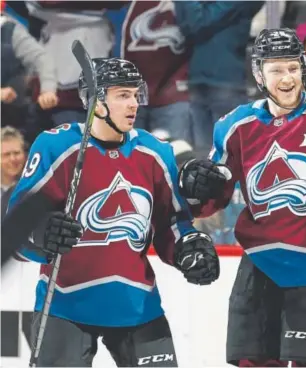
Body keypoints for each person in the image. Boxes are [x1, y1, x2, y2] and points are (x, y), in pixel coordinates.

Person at [178, 28, 306, 367]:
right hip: (259, 267)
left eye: (293, 67)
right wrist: (194, 187)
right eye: (277, 70)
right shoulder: (235, 125)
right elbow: (211, 198)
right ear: (259, 74)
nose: (288, 78)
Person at [2, 57, 220, 366]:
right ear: (96, 102)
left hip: (137, 305)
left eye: (135, 94)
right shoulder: (56, 146)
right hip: (66, 304)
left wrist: (187, 248)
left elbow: (173, 223)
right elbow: (18, 227)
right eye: (122, 95)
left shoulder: (155, 153)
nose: (134, 104)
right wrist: (41, 233)